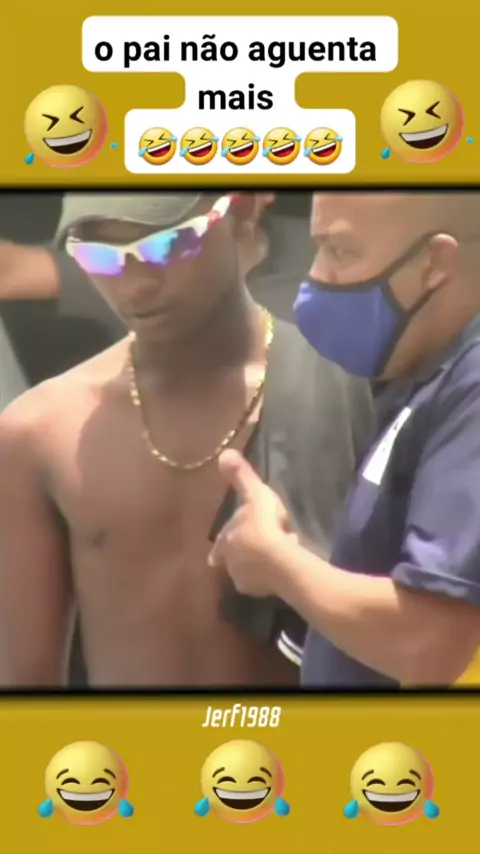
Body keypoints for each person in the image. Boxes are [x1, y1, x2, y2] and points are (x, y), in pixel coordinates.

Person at [0, 191, 373, 687]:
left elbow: (425, 628)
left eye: (168, 244)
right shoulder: (40, 431)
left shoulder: (346, 388)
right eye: (101, 255)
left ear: (241, 211)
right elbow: (25, 684)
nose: (136, 283)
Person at [210, 191, 480, 688]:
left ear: (434, 263)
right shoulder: (423, 378)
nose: (315, 278)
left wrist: (277, 564)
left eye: (340, 252)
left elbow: (429, 642)